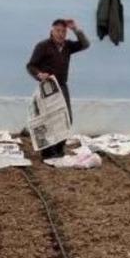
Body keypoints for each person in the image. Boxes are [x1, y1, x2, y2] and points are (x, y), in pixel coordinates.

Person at [26, 18, 90, 159]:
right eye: (58, 31)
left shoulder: (68, 46)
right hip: (47, 87)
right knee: (48, 118)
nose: (61, 34)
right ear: (52, 31)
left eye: (63, 31)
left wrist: (76, 29)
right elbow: (30, 65)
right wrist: (38, 74)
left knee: (66, 117)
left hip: (62, 86)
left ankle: (59, 149)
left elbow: (85, 44)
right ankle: (48, 152)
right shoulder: (43, 46)